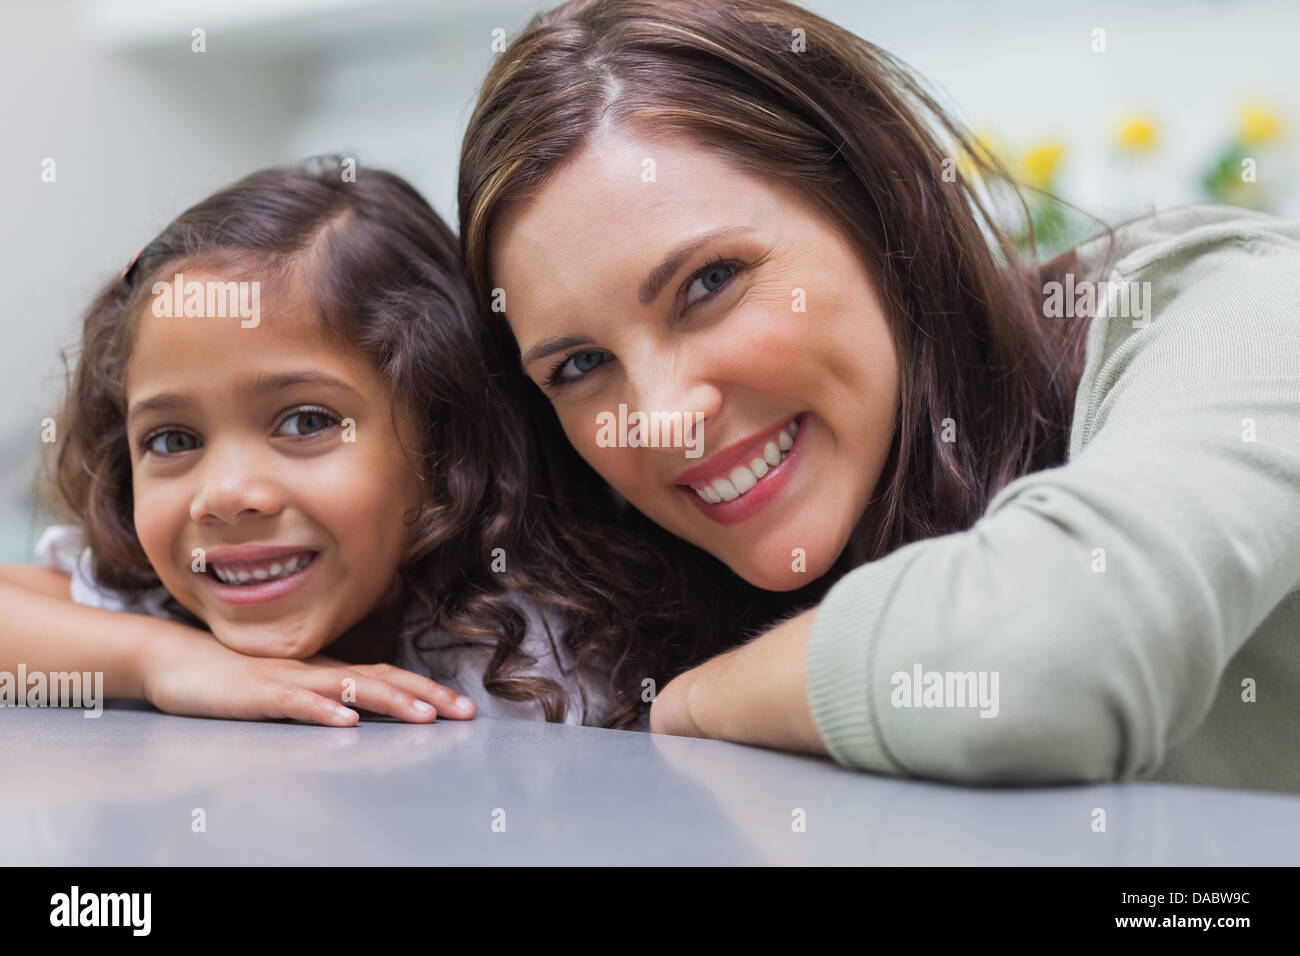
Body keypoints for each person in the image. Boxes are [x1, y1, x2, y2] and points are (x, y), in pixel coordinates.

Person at [457, 0, 1300, 790]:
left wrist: (692, 704)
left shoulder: (1235, 309)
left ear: (887, 199)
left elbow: (1053, 651)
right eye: (578, 367)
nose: (667, 419)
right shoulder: (633, 575)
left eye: (710, 283)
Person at [0, 156, 671, 730]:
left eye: (306, 422)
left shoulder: (550, 667)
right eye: (174, 438)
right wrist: (162, 660)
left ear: (444, 443)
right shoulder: (159, 604)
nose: (227, 496)